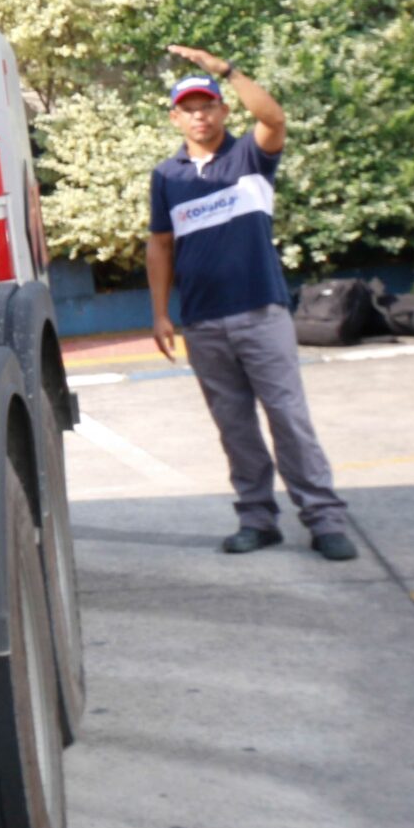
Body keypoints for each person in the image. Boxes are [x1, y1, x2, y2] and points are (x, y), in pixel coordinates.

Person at [144, 44, 356, 560]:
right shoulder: (167, 177)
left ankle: (324, 519)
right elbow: (160, 244)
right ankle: (258, 519)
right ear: (175, 118)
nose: (199, 115)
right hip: (202, 323)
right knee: (234, 426)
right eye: (189, 109)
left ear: (223, 109)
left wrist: (227, 71)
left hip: (261, 313)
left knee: (287, 416)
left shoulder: (251, 157)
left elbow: (274, 116)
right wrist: (159, 314)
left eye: (207, 104)